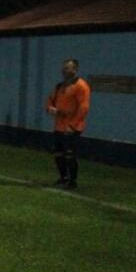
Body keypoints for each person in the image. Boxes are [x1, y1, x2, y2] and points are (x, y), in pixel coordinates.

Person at [46, 58, 90, 190]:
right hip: (59, 126)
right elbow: (50, 100)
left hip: (72, 127)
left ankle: (72, 181)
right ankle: (63, 177)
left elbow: (84, 107)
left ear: (75, 70)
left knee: (70, 155)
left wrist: (73, 125)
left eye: (67, 68)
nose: (63, 71)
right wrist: (50, 108)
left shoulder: (81, 86)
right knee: (58, 153)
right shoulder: (59, 86)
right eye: (63, 68)